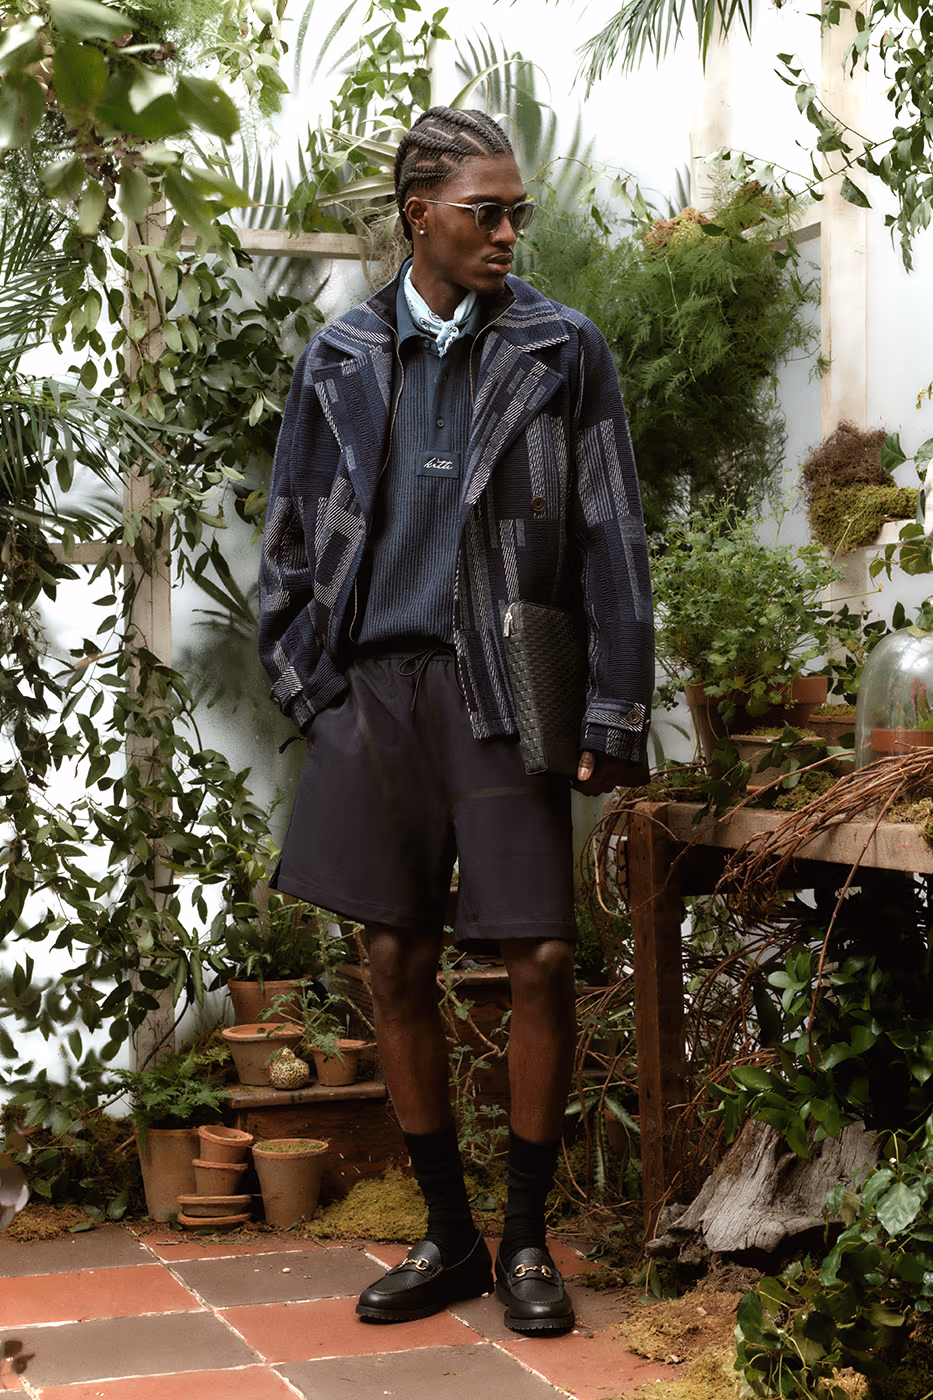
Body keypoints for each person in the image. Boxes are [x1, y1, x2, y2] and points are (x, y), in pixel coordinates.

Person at [258, 106, 654, 1335]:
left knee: (540, 955)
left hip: (502, 683)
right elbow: (290, 534)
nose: (508, 231)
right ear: (416, 213)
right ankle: (449, 1236)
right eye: (486, 210)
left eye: (516, 210)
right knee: (394, 958)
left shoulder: (561, 347)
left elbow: (614, 535)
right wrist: (311, 687)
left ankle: (526, 1238)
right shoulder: (338, 356)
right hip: (374, 689)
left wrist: (613, 704)